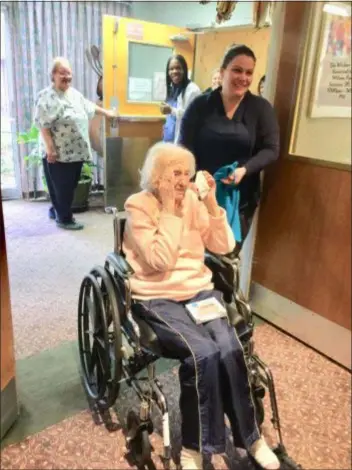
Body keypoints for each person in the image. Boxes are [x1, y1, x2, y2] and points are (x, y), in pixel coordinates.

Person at [123, 142, 280, 470]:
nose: (182, 180)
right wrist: (168, 209)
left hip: (198, 293)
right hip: (157, 295)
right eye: (173, 173)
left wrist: (210, 202)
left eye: (186, 173)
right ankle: (195, 449)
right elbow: (159, 261)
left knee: (229, 347)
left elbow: (226, 245)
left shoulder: (193, 200)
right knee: (202, 354)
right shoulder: (138, 206)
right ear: (156, 176)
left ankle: (250, 437)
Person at [179, 45, 279, 250]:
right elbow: (184, 148)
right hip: (200, 192)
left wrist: (245, 170)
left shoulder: (260, 109)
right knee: (195, 251)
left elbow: (271, 149)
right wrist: (191, 180)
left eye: (249, 72)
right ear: (223, 71)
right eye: (237, 70)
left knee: (228, 251)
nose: (243, 77)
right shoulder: (200, 105)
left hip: (240, 196)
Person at [34, 57, 116, 230]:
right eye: (62, 72)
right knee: (62, 187)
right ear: (53, 75)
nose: (66, 76)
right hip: (59, 153)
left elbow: (89, 106)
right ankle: (64, 219)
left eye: (69, 73)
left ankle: (55, 209)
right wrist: (50, 149)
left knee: (67, 186)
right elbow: (42, 124)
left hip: (76, 152)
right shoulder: (46, 97)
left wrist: (107, 113)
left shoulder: (74, 93)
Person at [160, 54, 201, 144]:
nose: (174, 71)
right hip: (168, 140)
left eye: (178, 68)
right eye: (171, 69)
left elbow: (193, 117)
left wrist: (171, 110)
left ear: (184, 70)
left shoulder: (193, 90)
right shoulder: (173, 89)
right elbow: (172, 117)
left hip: (182, 142)